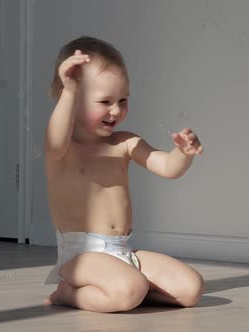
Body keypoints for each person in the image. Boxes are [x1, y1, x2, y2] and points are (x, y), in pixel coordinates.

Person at [42, 36, 204, 313]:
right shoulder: (64, 147)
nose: (116, 110)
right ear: (69, 95)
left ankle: (127, 290)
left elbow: (167, 167)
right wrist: (69, 90)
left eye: (123, 100)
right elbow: (55, 142)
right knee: (130, 289)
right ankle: (67, 293)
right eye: (105, 101)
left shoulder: (125, 142)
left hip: (123, 250)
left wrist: (183, 154)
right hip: (82, 255)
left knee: (192, 289)